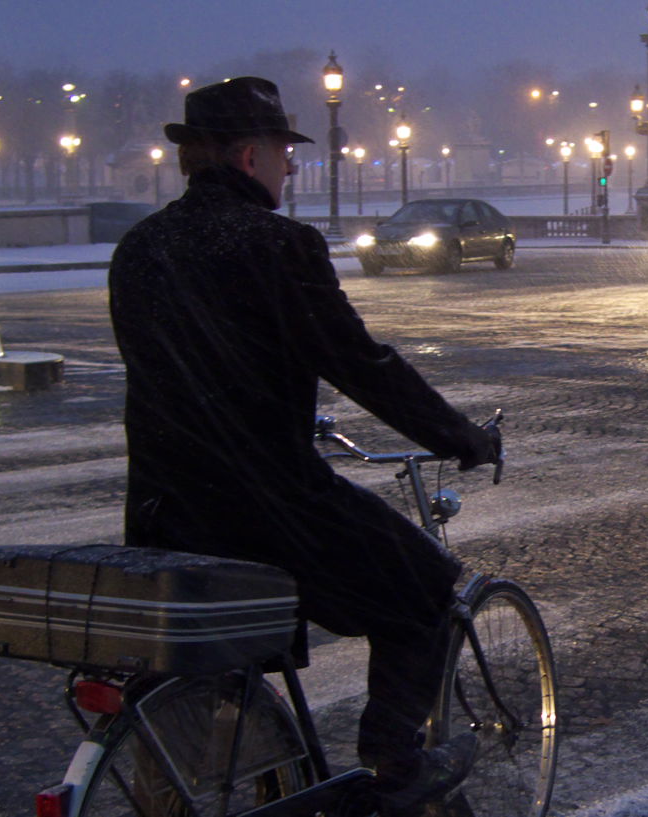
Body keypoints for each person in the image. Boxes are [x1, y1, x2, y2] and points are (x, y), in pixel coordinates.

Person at [107, 76, 499, 813]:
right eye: (285, 153)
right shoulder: (277, 245)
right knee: (423, 586)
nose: (291, 167)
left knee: (232, 661)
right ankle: (394, 759)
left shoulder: (141, 247)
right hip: (267, 505)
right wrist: (459, 436)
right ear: (249, 155)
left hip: (166, 509)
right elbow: (358, 362)